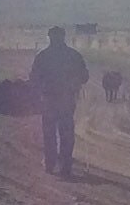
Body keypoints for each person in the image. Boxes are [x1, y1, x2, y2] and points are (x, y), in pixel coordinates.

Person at [28, 25, 89, 177]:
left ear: (49, 37)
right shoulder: (73, 55)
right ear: (63, 37)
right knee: (66, 133)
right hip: (66, 100)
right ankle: (65, 165)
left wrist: (37, 97)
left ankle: (50, 164)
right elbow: (85, 77)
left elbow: (33, 79)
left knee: (49, 133)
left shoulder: (43, 56)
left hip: (49, 100)